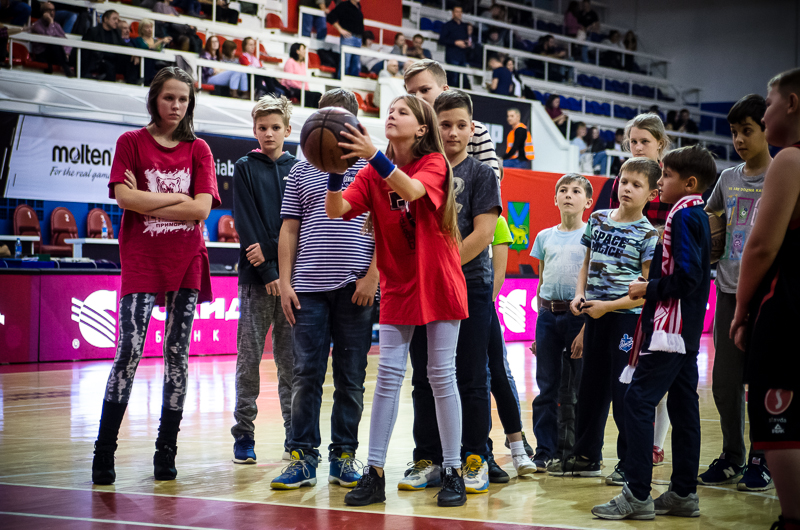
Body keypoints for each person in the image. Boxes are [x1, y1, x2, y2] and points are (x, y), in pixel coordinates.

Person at [326, 95, 468, 507]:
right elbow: (336, 210)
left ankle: (453, 470)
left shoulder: (434, 164)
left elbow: (413, 190)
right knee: (387, 377)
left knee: (441, 376)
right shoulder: (371, 172)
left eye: (402, 112)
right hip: (398, 284)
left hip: (439, 281)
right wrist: (334, 173)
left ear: (422, 129)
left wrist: (372, 154)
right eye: (389, 110)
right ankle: (374, 473)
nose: (391, 114)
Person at [91, 67, 220, 485]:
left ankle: (166, 449)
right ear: (154, 99)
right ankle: (103, 450)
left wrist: (146, 199)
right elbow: (123, 199)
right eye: (169, 98)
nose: (176, 106)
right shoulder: (130, 142)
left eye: (183, 99)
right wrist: (178, 197)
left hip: (187, 259)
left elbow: (202, 209)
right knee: (128, 351)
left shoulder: (199, 149)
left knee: (177, 354)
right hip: (142, 259)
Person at [402, 89, 517, 495]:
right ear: (431, 128)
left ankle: (474, 457)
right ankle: (429, 458)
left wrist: (440, 268)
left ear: (472, 130)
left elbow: (483, 233)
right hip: (422, 289)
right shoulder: (415, 172)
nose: (452, 132)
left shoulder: (482, 174)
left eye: (460, 125)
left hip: (469, 286)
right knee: (424, 377)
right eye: (445, 124)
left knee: (471, 375)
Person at [592, 145, 716, 520]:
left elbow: (689, 277)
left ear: (689, 183)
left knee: (638, 400)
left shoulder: (683, 216)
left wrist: (650, 288)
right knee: (683, 407)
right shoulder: (696, 214)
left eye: (667, 176)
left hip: (670, 330)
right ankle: (683, 493)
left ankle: (637, 494)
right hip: (686, 328)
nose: (660, 182)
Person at [270, 89, 377, 490]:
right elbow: (289, 229)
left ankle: (343, 456)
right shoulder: (301, 170)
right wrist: (285, 282)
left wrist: (373, 276)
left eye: (344, 118)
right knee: (305, 374)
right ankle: (302, 457)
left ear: (355, 123)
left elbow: (384, 226)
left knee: (351, 376)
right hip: (308, 288)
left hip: (356, 286)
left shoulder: (373, 167)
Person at [549, 157, 659, 487]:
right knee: (590, 388)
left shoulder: (648, 234)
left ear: (651, 194)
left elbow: (645, 292)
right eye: (624, 181)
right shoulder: (597, 219)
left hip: (626, 321)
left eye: (637, 185)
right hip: (594, 315)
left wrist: (607, 306)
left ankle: (629, 462)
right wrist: (579, 294)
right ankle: (586, 456)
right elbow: (586, 262)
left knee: (623, 392)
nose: (627, 188)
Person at [730, 67, 800, 530]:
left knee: (780, 419)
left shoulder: (790, 159)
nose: (766, 112)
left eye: (770, 104)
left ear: (792, 104)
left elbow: (760, 246)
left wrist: (741, 311)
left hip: (789, 304)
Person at [701, 94, 773, 491]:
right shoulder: (727, 178)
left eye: (747, 131)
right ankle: (732, 455)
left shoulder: (783, 175)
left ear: (766, 129)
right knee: (725, 382)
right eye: (734, 132)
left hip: (769, 295)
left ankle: (763, 459)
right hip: (728, 290)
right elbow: (709, 221)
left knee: (763, 381)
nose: (739, 140)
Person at [230, 96, 299, 464]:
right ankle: (244, 435)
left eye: (275, 127)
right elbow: (246, 222)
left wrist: (276, 262)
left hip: (292, 283)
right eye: (262, 128)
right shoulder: (244, 167)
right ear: (254, 130)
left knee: (291, 364)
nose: (269, 133)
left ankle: (294, 436)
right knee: (249, 361)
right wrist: (269, 271)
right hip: (256, 280)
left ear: (287, 130)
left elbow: (299, 225)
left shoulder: (299, 169)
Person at [530, 174, 593, 472]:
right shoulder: (544, 237)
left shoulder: (592, 236)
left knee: (581, 387)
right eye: (563, 190)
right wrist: (537, 327)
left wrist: (585, 328)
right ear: (555, 199)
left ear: (588, 202)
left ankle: (580, 451)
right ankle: (545, 450)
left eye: (576, 191)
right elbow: (541, 280)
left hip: (578, 317)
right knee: (547, 388)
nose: (568, 195)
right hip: (547, 317)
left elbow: (594, 284)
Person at [404, 59, 500, 179]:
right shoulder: (409, 136)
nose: (418, 98)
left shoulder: (477, 132)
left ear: (445, 90)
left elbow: (492, 185)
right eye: (412, 94)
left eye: (425, 90)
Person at [610, 114, 672, 226]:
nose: (638, 148)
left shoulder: (671, 179)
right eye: (633, 141)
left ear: (660, 143)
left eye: (644, 141)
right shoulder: (621, 177)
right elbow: (613, 221)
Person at [82, 10, 140, 84]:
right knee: (109, 66)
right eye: (114, 19)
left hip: (114, 61)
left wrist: (134, 53)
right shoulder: (94, 31)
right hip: (98, 61)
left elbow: (125, 45)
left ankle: (133, 82)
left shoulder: (117, 32)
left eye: (117, 19)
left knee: (131, 59)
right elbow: (85, 52)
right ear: (105, 19)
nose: (116, 21)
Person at [31, 2, 74, 77]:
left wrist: (66, 53)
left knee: (73, 50)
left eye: (53, 10)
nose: (52, 13)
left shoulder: (57, 25)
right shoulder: (36, 26)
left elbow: (65, 40)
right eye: (49, 10)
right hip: (43, 54)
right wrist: (50, 22)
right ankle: (66, 67)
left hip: (57, 54)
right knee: (54, 44)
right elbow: (49, 38)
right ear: (43, 12)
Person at [326, 0, 363, 78]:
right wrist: (340, 29)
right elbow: (330, 17)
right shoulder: (344, 5)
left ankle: (352, 84)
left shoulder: (358, 6)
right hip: (348, 38)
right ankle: (341, 83)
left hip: (358, 39)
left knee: (355, 66)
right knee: (345, 64)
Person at [132, 19, 173, 85]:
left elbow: (160, 51)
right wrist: (161, 41)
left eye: (151, 27)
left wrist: (164, 43)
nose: (150, 29)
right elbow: (148, 48)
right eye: (147, 27)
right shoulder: (138, 40)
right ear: (141, 29)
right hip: (144, 65)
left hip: (155, 66)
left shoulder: (156, 40)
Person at [438, 4, 469, 88]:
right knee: (453, 78)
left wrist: (466, 43)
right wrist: (455, 42)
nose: (459, 14)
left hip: (462, 56)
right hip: (452, 55)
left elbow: (466, 39)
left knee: (463, 78)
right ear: (453, 13)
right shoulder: (447, 25)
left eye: (460, 12)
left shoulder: (464, 26)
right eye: (457, 12)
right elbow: (442, 40)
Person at [282, 42, 322, 108]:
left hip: (301, 89)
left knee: (318, 95)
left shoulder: (303, 64)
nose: (305, 51)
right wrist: (302, 88)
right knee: (310, 96)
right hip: (292, 89)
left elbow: (305, 80)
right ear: (297, 51)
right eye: (303, 49)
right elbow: (289, 81)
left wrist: (306, 89)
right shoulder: (290, 61)